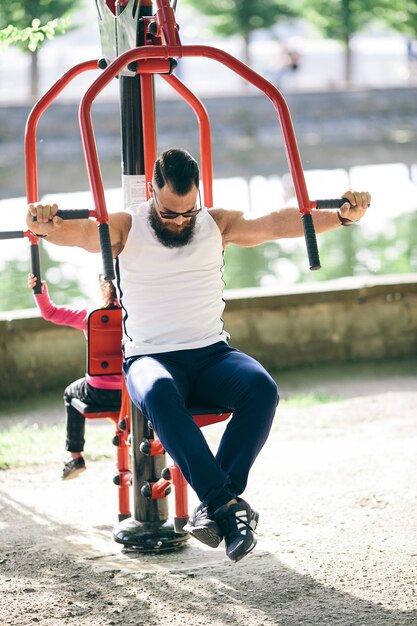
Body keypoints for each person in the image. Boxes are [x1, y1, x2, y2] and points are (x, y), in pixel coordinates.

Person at [27, 148, 371, 561]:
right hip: (150, 358)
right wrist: (43, 223)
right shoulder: (126, 226)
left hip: (211, 354)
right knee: (158, 392)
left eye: (188, 212)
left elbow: (279, 225)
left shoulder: (215, 223)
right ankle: (225, 506)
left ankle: (214, 504)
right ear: (153, 191)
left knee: (261, 388)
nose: (180, 221)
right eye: (171, 213)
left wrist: (343, 217)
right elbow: (79, 233)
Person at [27, 273, 122, 480]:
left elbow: (50, 312)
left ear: (103, 289)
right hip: (131, 393)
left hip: (98, 393)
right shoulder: (137, 315)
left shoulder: (90, 315)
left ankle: (75, 456)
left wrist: (40, 292)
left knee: (70, 392)